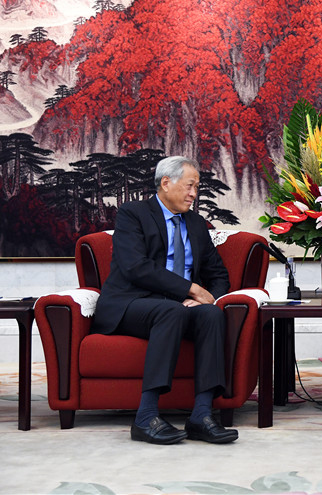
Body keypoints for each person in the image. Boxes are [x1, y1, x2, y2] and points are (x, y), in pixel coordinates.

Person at [93, 156, 238, 445]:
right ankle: (145, 417)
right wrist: (190, 289)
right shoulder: (133, 213)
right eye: (189, 186)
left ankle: (201, 415)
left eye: (196, 187)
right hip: (131, 304)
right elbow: (136, 267)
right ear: (166, 183)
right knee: (171, 311)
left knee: (211, 315)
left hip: (178, 307)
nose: (194, 194)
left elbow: (218, 274)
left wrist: (206, 300)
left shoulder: (196, 224)